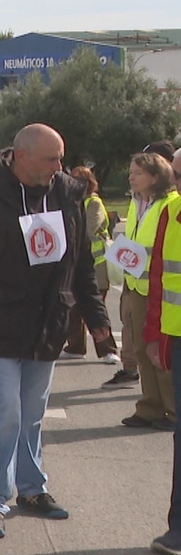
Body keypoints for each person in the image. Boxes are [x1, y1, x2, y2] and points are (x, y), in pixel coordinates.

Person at [0, 124, 111, 539]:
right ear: (21, 155)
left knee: (32, 413)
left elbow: (81, 262)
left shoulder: (68, 192)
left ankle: (32, 489)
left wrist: (99, 320)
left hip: (48, 320)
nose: (59, 166)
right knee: (6, 411)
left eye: (60, 158)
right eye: (51, 159)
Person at [113, 152, 178, 432]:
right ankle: (150, 406)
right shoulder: (136, 202)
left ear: (155, 176)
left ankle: (173, 410)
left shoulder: (170, 204)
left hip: (159, 288)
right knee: (141, 348)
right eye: (131, 171)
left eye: (138, 172)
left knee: (161, 352)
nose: (131, 177)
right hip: (135, 284)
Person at [143, 173, 181, 554]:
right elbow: (159, 277)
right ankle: (179, 530)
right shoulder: (171, 211)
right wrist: (153, 335)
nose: (177, 183)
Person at [63, 166, 120, 364]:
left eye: (82, 180)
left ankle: (108, 350)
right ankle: (75, 346)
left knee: (95, 309)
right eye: (74, 179)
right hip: (77, 263)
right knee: (73, 308)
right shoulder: (73, 202)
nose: (77, 183)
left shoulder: (93, 202)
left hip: (97, 266)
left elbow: (88, 229)